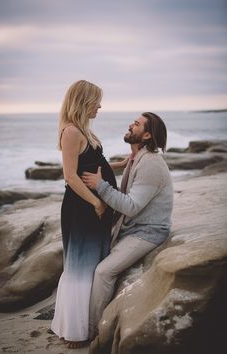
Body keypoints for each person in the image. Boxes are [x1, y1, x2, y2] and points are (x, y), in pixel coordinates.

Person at [82, 112, 174, 339]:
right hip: (130, 228)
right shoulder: (136, 158)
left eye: (137, 124)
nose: (130, 125)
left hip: (147, 232)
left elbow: (131, 206)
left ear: (147, 135)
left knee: (104, 271)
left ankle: (94, 333)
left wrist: (100, 185)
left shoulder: (151, 164)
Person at [51, 80, 127, 349]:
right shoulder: (71, 131)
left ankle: (81, 324)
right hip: (83, 208)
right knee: (80, 268)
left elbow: (96, 165)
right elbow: (70, 176)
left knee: (91, 265)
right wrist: (96, 203)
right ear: (83, 101)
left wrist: (123, 163)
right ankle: (73, 331)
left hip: (95, 206)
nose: (99, 106)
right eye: (96, 101)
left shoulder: (85, 131)